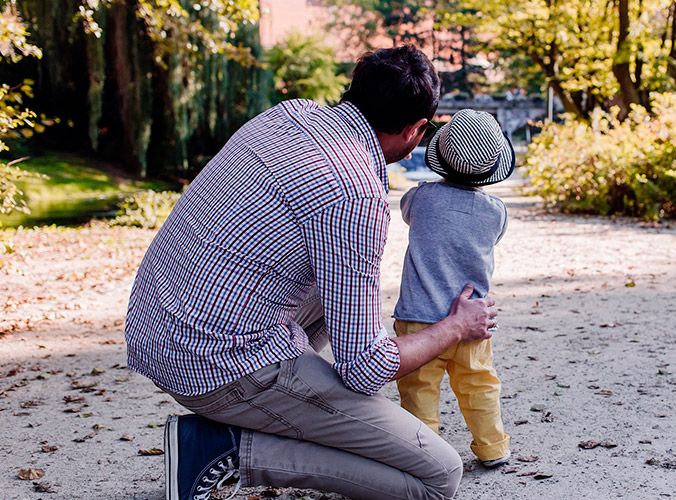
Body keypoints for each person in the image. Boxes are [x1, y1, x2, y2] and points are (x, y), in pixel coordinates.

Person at [123, 46, 498, 500]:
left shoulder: (288, 114)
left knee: (337, 284)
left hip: (156, 329)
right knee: (438, 475)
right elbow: (366, 368)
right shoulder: (355, 194)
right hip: (217, 365)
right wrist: (456, 326)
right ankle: (224, 450)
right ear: (416, 130)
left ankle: (280, 408)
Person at [393, 109, 515, 468]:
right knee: (480, 385)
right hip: (473, 320)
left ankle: (424, 455)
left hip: (419, 321)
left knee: (419, 392)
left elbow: (405, 212)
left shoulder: (420, 199)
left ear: (440, 159)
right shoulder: (496, 212)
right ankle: (493, 447)